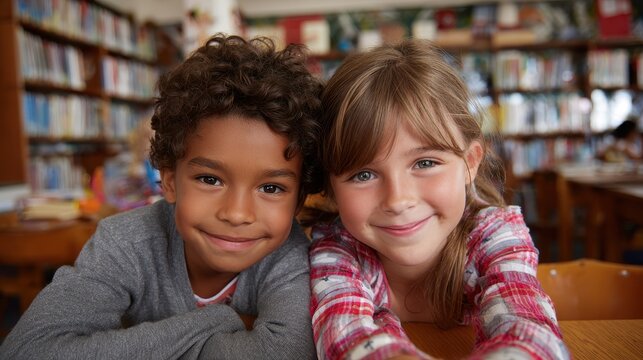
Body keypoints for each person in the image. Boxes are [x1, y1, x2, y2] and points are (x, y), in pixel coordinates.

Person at [0, 34, 322, 359]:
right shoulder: (125, 241)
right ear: (169, 179)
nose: (237, 214)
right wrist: (220, 320)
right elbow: (28, 351)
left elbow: (285, 353)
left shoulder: (290, 255)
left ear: (298, 199)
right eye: (210, 179)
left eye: (271, 188)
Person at [308, 39, 569, 359]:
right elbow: (345, 335)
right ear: (331, 188)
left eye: (425, 163)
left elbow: (531, 331)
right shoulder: (338, 247)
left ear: (470, 162)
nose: (398, 199)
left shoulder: (493, 235)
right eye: (363, 175)